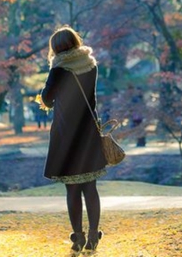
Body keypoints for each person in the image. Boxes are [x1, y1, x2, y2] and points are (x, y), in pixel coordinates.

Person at [38, 26, 106, 254]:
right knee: (91, 187)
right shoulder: (90, 64)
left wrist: (46, 94)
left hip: (67, 134)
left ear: (56, 48)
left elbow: (47, 100)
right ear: (76, 41)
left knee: (73, 189)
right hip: (88, 132)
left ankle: (78, 236)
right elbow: (91, 99)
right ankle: (94, 235)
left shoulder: (59, 68)